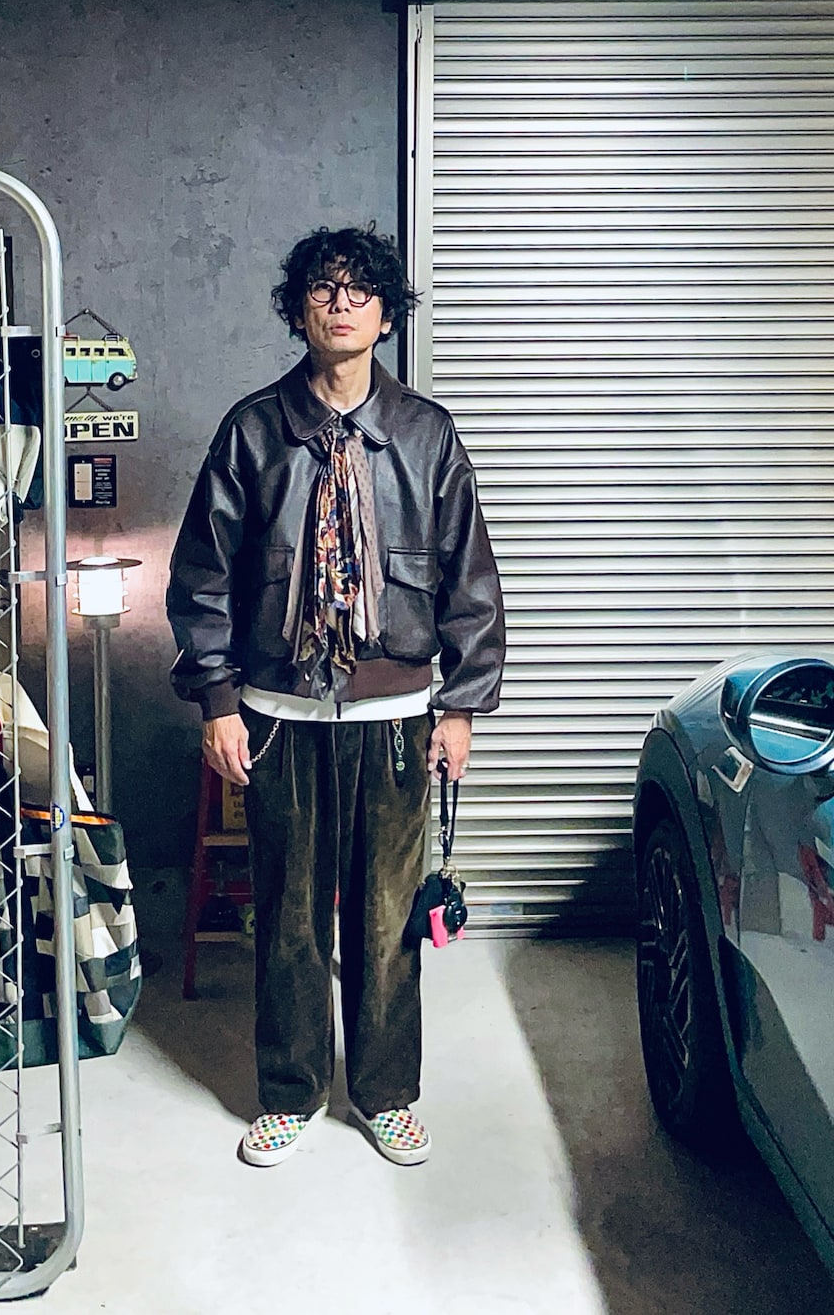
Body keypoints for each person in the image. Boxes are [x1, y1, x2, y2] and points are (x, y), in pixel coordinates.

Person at [167, 224, 504, 1167]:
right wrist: (219, 701)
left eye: (361, 290)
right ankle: (292, 1090)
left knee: (389, 917)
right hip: (279, 714)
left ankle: (386, 1093)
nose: (342, 304)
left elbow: (470, 579)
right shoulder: (253, 432)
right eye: (324, 288)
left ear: (386, 314)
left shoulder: (426, 435)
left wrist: (460, 706)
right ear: (299, 309)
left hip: (396, 714)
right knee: (287, 913)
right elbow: (202, 576)